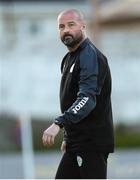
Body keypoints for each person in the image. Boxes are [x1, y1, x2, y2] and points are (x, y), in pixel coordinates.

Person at [42, 9, 114, 179]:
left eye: (71, 25)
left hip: (91, 144)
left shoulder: (90, 56)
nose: (66, 30)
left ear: (83, 26)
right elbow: (71, 100)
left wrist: (59, 123)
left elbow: (87, 99)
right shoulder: (69, 59)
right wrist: (68, 136)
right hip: (76, 143)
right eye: (61, 26)